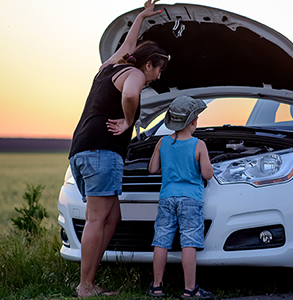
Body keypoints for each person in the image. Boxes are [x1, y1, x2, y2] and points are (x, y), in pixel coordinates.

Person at [68, 0, 169, 297]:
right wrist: (128, 121)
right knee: (98, 219)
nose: (158, 77)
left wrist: (140, 17)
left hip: (82, 149)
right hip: (102, 151)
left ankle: (90, 278)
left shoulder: (110, 67)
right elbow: (130, 94)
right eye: (159, 70)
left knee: (113, 218)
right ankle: (85, 286)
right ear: (148, 63)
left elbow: (128, 44)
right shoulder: (135, 74)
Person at [147, 96, 214, 299]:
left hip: (167, 198)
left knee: (161, 240)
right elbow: (207, 174)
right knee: (189, 242)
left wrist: (161, 151)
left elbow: (152, 169)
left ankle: (157, 286)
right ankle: (189, 289)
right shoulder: (198, 144)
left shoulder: (163, 142)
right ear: (194, 121)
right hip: (191, 199)